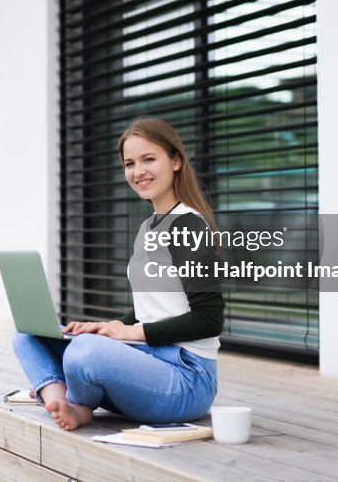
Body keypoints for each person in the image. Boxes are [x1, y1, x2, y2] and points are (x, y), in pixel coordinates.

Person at [11, 117, 224, 431]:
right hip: (146, 359)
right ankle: (62, 401)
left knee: (84, 352)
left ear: (176, 161)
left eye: (149, 159)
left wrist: (131, 333)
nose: (138, 172)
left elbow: (209, 319)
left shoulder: (188, 225)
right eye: (130, 163)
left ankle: (76, 400)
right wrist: (109, 326)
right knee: (29, 336)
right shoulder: (149, 226)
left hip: (187, 379)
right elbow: (152, 307)